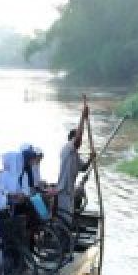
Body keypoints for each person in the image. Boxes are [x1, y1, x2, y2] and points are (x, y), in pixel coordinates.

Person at [56, 98, 91, 233]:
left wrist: (90, 159)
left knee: (68, 218)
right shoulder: (67, 148)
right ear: (72, 139)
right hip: (63, 190)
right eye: (78, 139)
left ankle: (66, 237)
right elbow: (78, 138)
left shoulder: (75, 154)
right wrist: (82, 117)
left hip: (69, 190)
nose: (80, 142)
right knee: (64, 219)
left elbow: (84, 168)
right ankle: (62, 240)